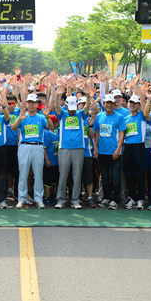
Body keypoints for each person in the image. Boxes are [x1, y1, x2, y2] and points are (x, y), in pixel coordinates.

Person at [53, 79, 91, 209]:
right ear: (67, 106)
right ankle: (61, 200)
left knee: (77, 175)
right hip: (64, 149)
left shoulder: (81, 114)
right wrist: (58, 95)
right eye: (70, 108)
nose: (72, 111)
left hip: (79, 149)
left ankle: (75, 200)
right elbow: (57, 107)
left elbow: (87, 107)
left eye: (74, 108)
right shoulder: (63, 114)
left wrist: (88, 95)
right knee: (63, 175)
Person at [12, 93, 53, 209]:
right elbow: (13, 128)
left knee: (38, 173)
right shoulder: (22, 116)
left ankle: (39, 199)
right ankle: (21, 199)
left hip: (38, 146)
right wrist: (19, 119)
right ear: (26, 104)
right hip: (24, 146)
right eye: (29, 103)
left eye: (33, 103)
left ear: (37, 105)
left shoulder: (41, 117)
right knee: (23, 174)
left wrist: (48, 117)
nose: (31, 105)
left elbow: (51, 127)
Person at [93, 94, 125, 210]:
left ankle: (115, 200)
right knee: (105, 177)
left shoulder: (119, 117)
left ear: (114, 104)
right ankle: (106, 197)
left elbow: (121, 134)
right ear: (104, 104)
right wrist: (95, 148)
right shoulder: (99, 116)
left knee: (116, 177)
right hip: (102, 152)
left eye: (111, 103)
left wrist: (118, 149)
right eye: (107, 103)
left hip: (114, 152)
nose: (109, 105)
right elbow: (97, 132)